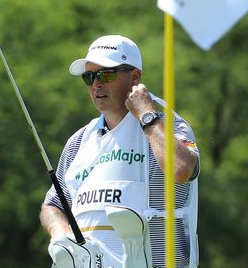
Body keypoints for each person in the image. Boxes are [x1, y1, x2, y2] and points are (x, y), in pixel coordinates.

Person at [40, 35, 200, 268]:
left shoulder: (163, 124)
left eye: (106, 74)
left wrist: (147, 114)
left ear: (135, 77)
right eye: (89, 77)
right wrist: (63, 237)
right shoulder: (78, 141)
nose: (96, 84)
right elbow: (53, 205)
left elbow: (181, 169)